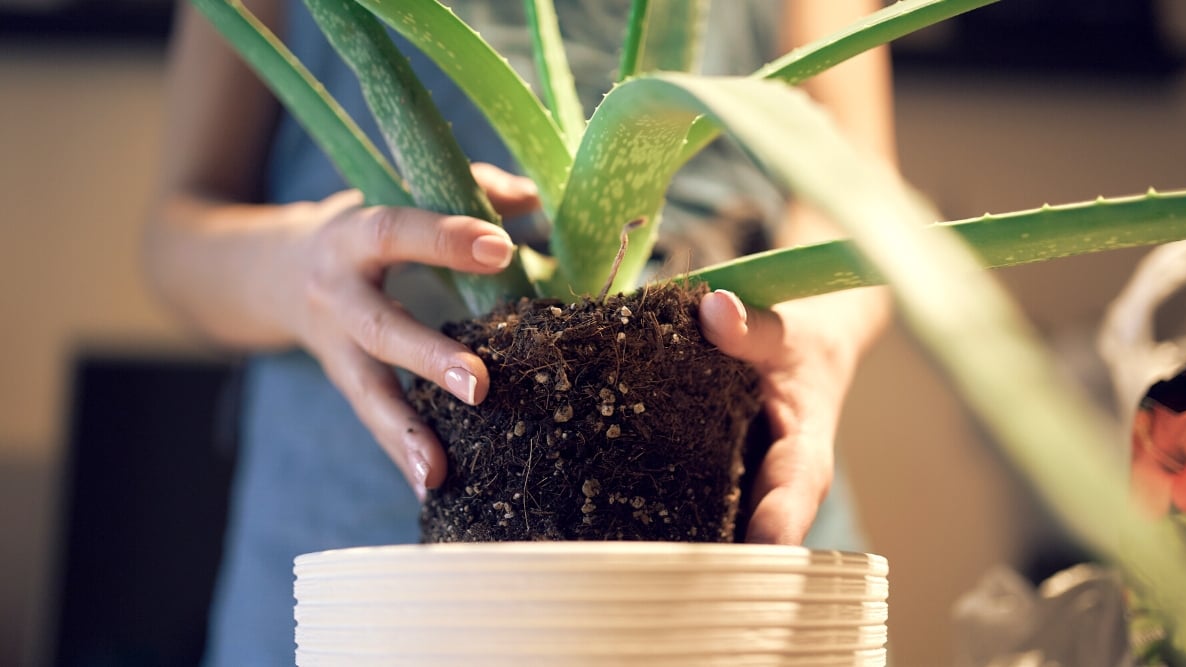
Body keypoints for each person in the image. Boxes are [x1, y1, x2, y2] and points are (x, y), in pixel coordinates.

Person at [147, 0, 894, 663]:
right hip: (357, 548)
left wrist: (821, 326)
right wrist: (302, 266)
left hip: (733, 509)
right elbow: (175, 231)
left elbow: (862, 186)